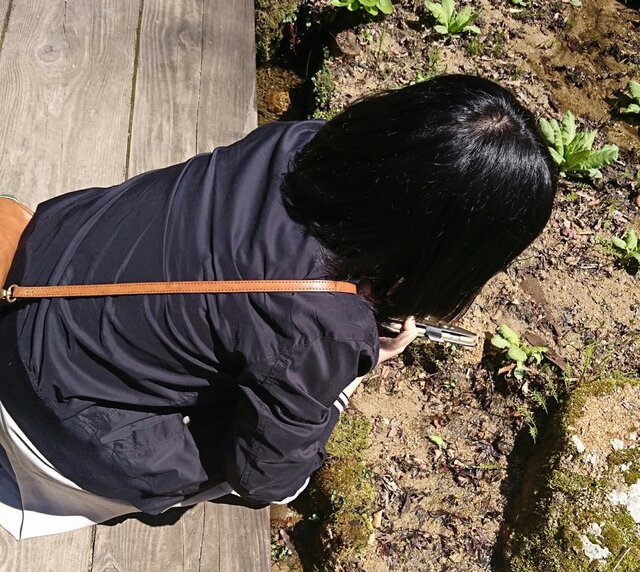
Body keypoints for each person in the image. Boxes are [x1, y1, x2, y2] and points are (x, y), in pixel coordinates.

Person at [0, 74, 557, 539]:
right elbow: (267, 479)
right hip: (40, 399)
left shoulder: (296, 143)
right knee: (241, 453)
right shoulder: (325, 322)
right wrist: (350, 373)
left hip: (40, 256)